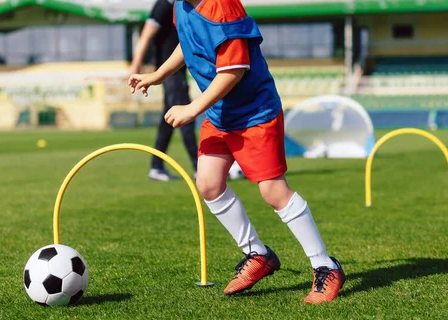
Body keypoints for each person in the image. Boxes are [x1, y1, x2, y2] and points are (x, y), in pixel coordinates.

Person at [128, 0, 345, 303]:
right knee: (208, 183)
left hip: (254, 114)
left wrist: (193, 108)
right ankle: (257, 254)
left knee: (273, 191)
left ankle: (325, 265)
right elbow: (188, 42)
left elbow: (234, 71)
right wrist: (158, 75)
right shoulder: (181, 5)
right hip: (219, 114)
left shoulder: (223, 7)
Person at [128, 0, 199, 181]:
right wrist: (135, 68)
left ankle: (156, 166)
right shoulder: (164, 4)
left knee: (167, 120)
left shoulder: (181, 5)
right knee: (185, 118)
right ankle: (200, 168)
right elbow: (145, 36)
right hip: (169, 72)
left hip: (175, 71)